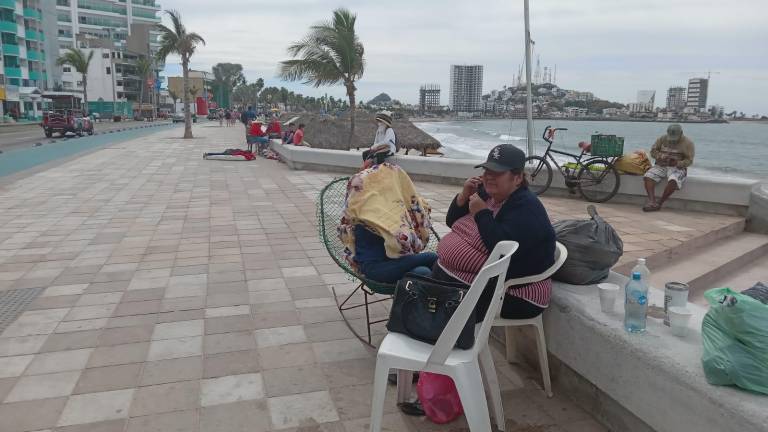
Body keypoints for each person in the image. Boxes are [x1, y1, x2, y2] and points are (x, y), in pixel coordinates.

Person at [432, 144, 556, 321]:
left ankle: (446, 343)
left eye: (497, 173)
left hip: (517, 294)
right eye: (486, 171)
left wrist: (482, 214)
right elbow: (451, 222)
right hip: (484, 283)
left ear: (518, 178)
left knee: (434, 307)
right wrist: (464, 195)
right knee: (422, 283)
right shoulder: (489, 194)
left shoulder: (526, 208)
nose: (488, 177)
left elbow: (501, 251)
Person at [643, 124, 695, 212]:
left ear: (681, 133)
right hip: (661, 165)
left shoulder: (688, 143)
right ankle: (652, 201)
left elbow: (689, 161)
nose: (672, 141)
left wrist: (678, 163)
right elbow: (653, 152)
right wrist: (661, 156)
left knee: (673, 180)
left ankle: (659, 203)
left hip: (678, 168)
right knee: (648, 176)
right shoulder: (662, 139)